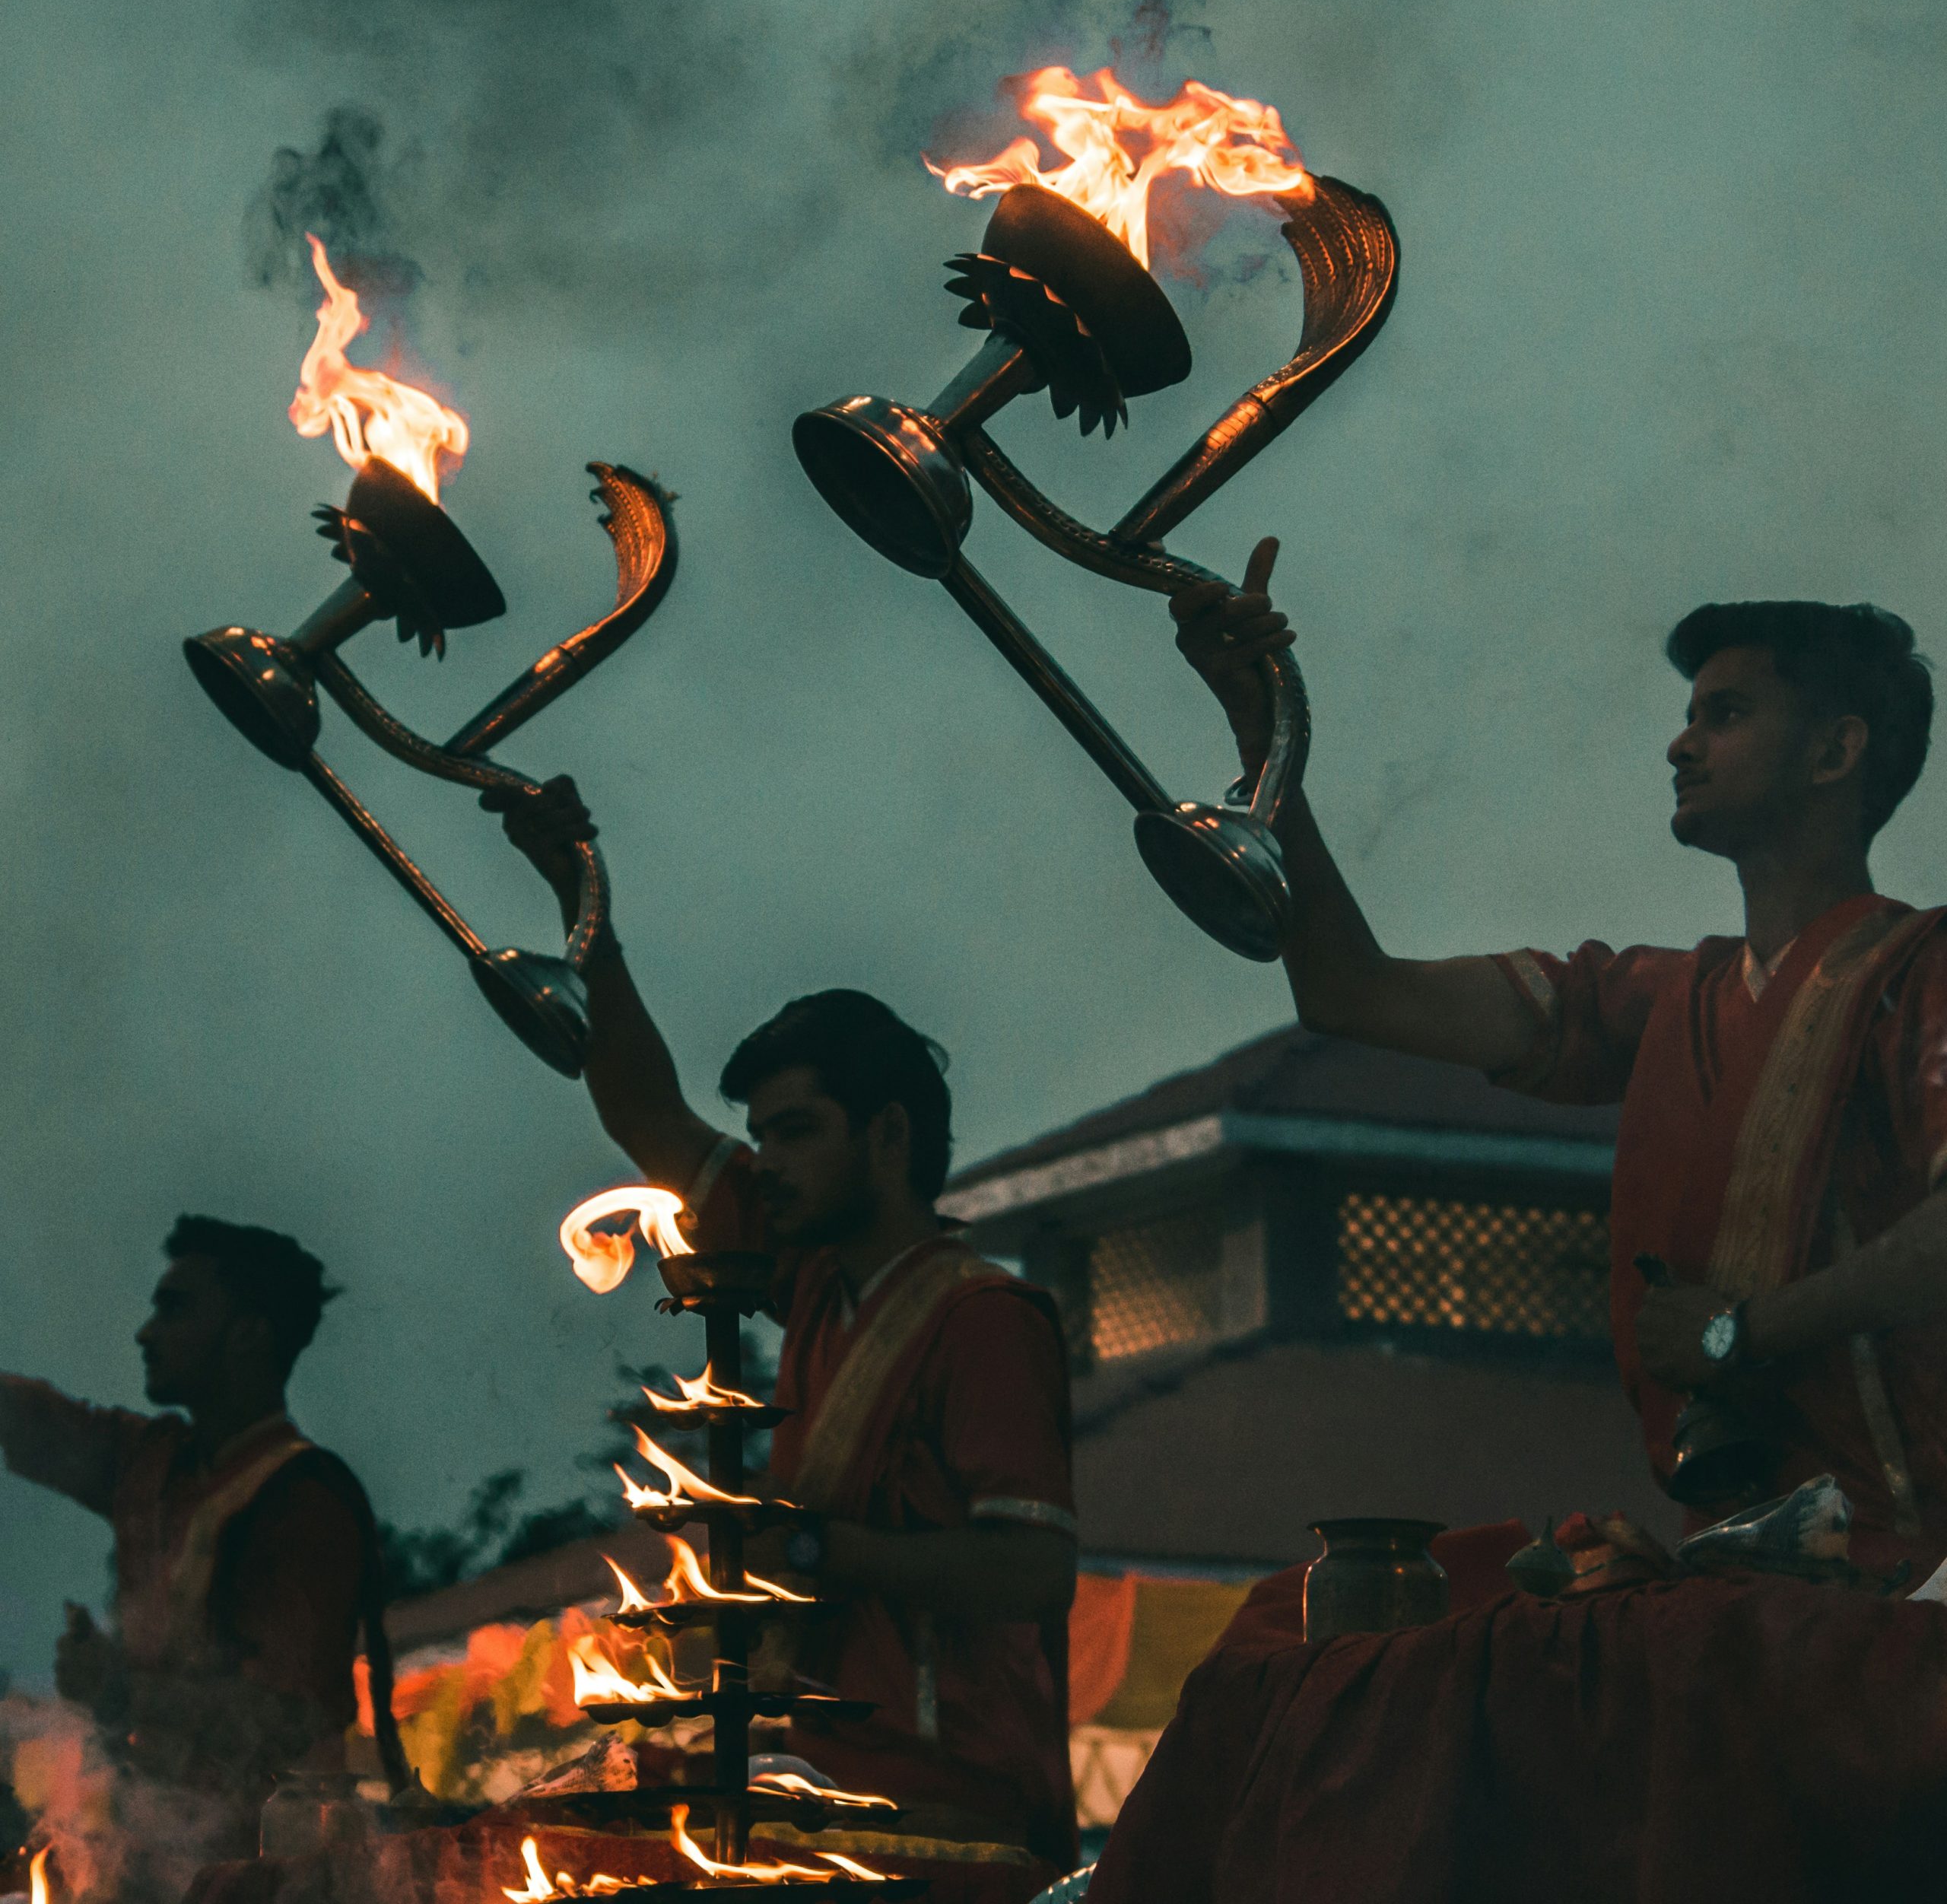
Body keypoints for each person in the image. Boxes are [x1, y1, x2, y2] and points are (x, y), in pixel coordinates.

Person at [1173, 540, 1946, 1571]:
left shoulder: (1921, 970)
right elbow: (1353, 993)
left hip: (1906, 1574)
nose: (1680, 745)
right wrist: (1262, 731)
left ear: (1835, 752)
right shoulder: (1654, 1000)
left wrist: (1741, 1332)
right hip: (1728, 1561)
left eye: (1725, 715)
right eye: (1690, 715)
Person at [488, 780, 1078, 1869]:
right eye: (761, 1136)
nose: (766, 1162)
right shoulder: (810, 1279)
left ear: (888, 1135)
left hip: (945, 1813)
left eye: (797, 1131)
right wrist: (583, 905)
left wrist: (810, 1549)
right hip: (820, 1784)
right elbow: (648, 1115)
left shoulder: (984, 1319)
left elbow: (1033, 1571)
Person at [0, 1216, 404, 1877]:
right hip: (156, 1858)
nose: (145, 1333)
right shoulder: (154, 1462)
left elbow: (286, 1722)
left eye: (176, 1309)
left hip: (271, 1875)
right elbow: (38, 1424)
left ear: (248, 1335)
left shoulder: (306, 1501)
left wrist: (117, 1688)